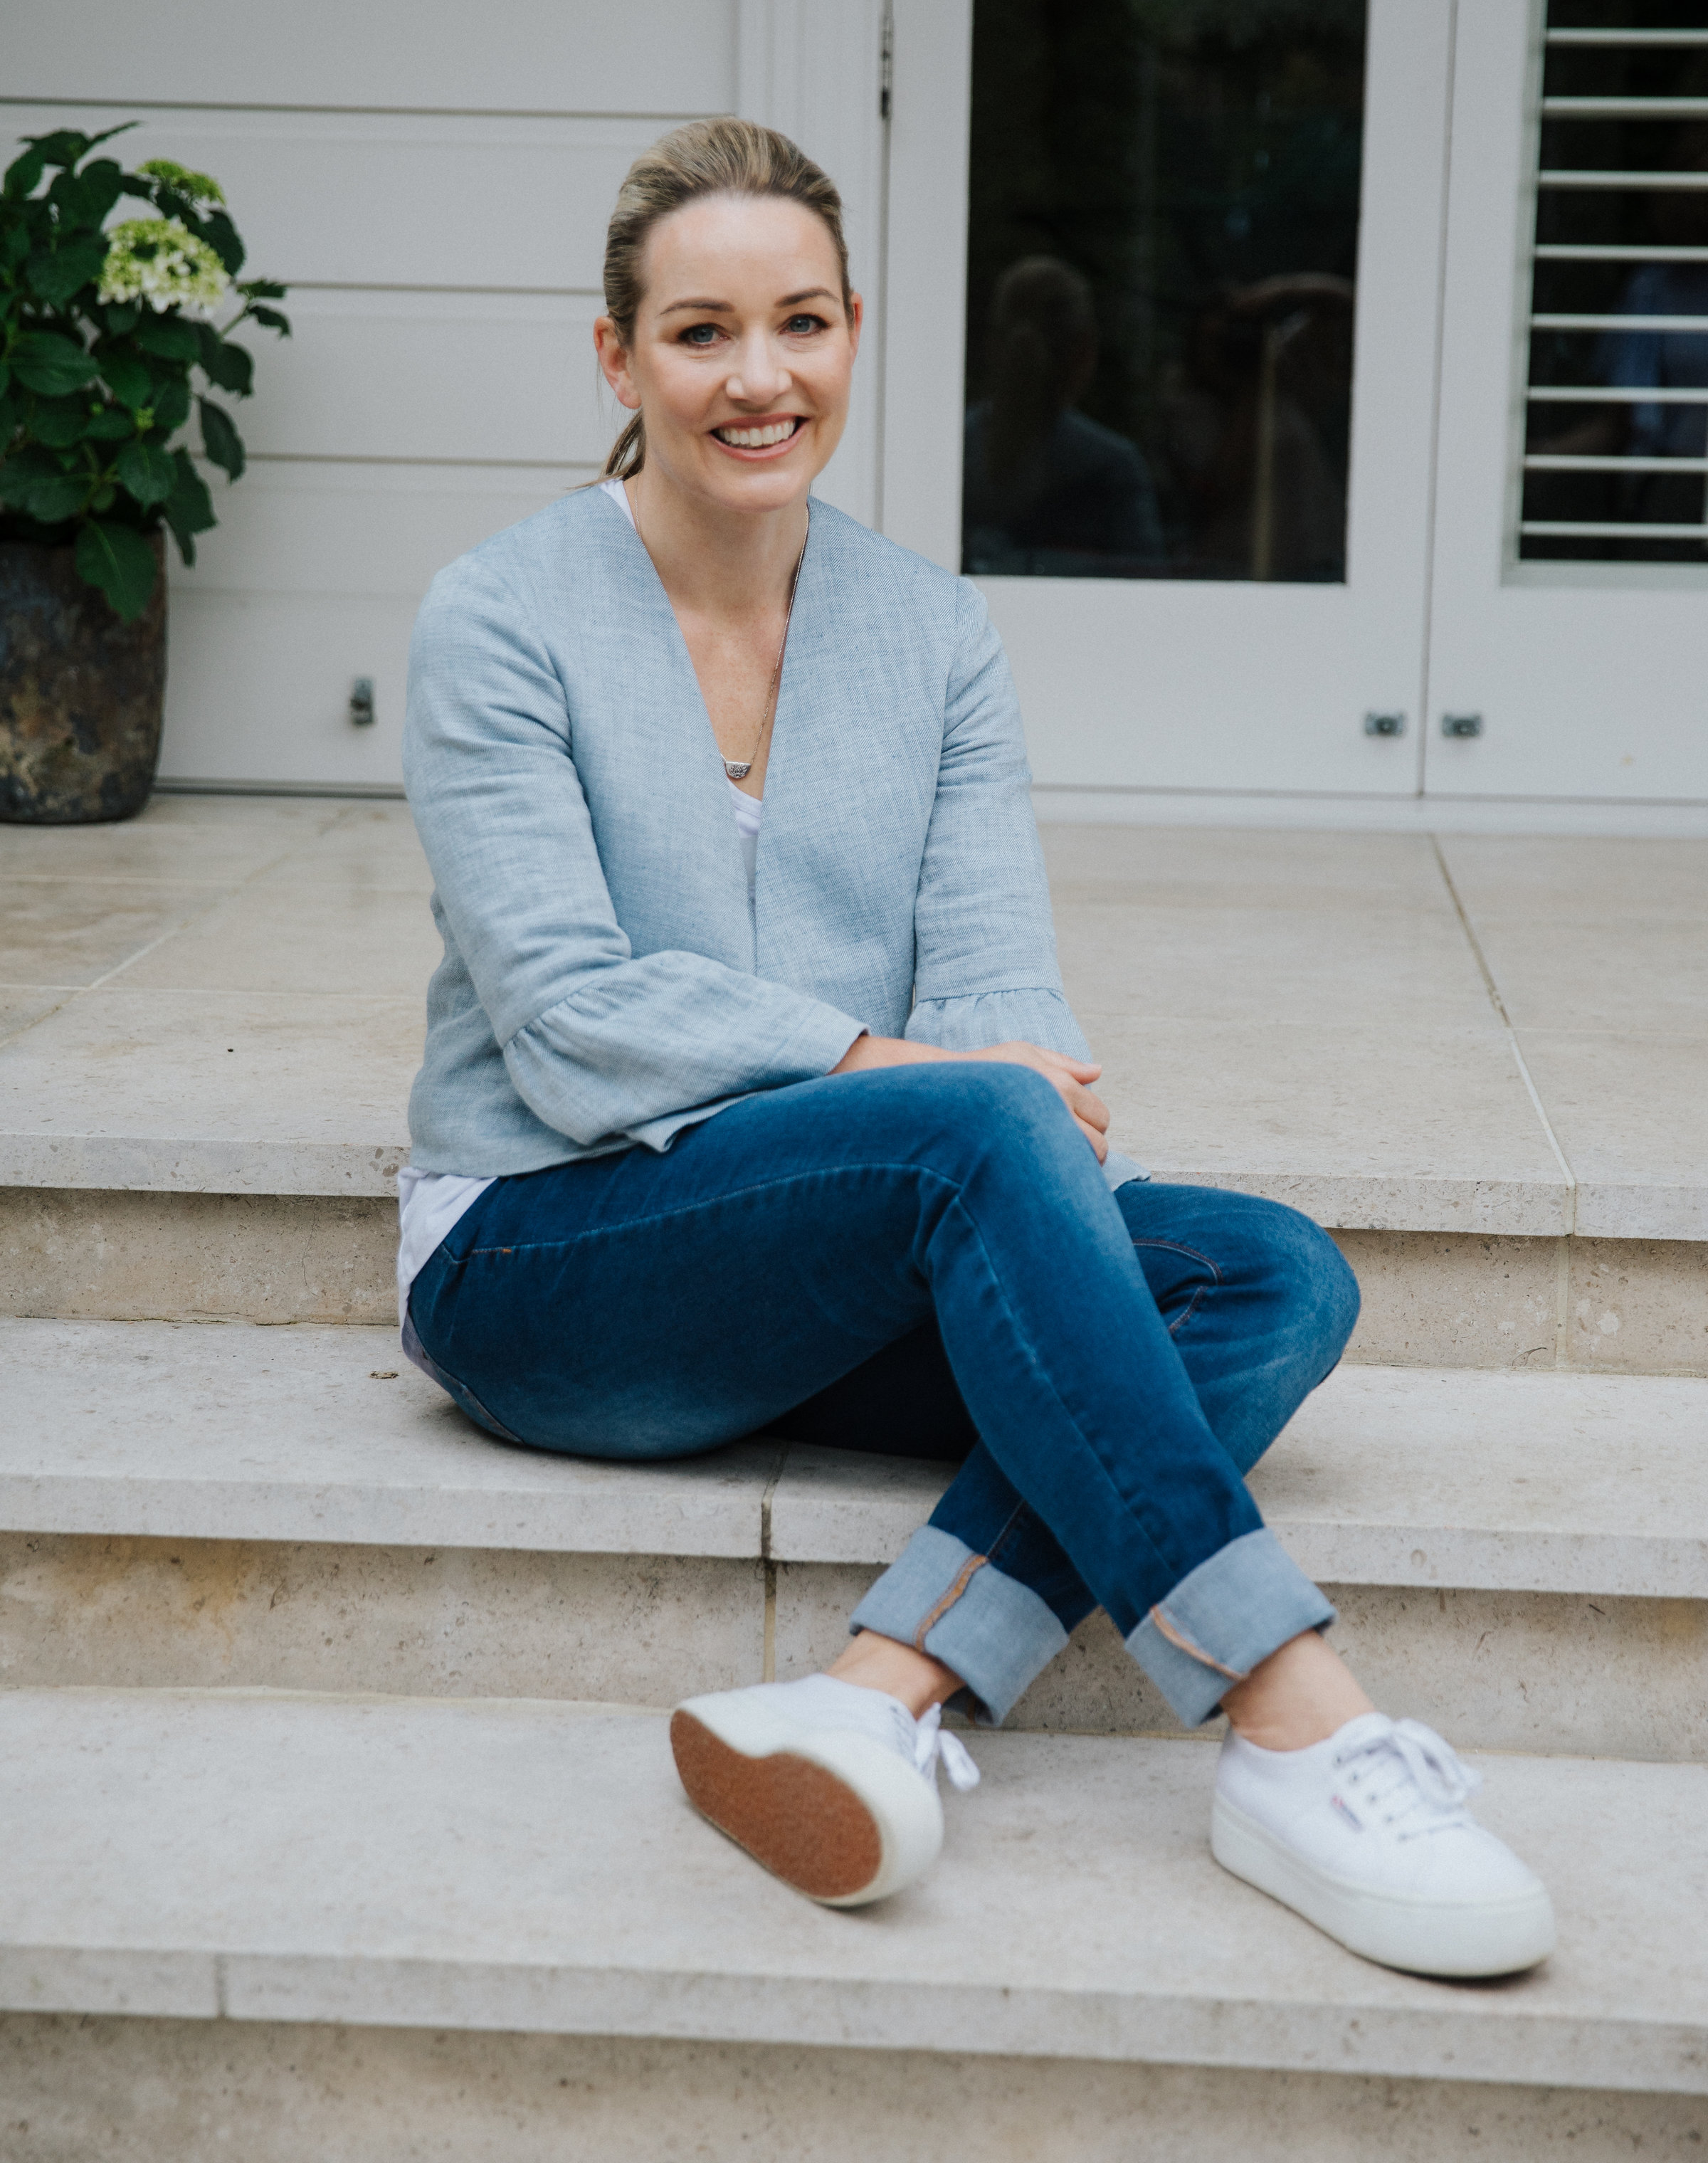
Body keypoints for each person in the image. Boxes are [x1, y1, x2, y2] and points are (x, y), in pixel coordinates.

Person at [398, 118, 1554, 1979]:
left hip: (841, 1247)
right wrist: (904, 1079)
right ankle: (1292, 1719)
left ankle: (878, 1689)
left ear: (856, 329)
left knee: (1272, 1280)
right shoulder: (501, 618)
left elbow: (1008, 986)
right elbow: (570, 1019)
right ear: (618, 360)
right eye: (700, 333)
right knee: (971, 1129)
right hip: (552, 1252)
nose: (759, 378)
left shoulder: (931, 633)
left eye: (800, 323)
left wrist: (1021, 1155)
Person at [961, 256, 1166, 574]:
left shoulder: (949, 454)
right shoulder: (1112, 467)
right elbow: (1148, 588)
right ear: (1085, 352)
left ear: (991, 346)